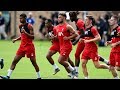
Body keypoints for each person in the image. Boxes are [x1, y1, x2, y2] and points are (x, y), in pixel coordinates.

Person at [0, 13, 41, 79]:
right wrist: (16, 39)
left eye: (21, 18)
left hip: (29, 47)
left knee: (33, 62)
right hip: (22, 47)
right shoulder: (20, 26)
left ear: (25, 18)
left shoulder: (29, 26)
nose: (20, 19)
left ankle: (39, 77)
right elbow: (22, 36)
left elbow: (32, 37)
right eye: (19, 18)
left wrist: (25, 32)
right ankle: (8, 76)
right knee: (14, 61)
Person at [69, 11, 109, 77]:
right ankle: (84, 76)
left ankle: (109, 67)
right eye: (85, 19)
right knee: (83, 63)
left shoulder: (91, 28)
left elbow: (98, 37)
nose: (84, 21)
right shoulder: (85, 27)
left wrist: (76, 41)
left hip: (92, 48)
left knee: (97, 65)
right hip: (86, 47)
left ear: (90, 21)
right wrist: (83, 39)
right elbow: (84, 34)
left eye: (86, 20)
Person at [55, 13, 78, 79]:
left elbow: (76, 34)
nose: (58, 19)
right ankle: (73, 77)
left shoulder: (68, 26)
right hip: (61, 47)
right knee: (65, 62)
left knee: (60, 60)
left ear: (64, 18)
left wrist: (68, 38)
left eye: (60, 17)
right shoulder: (57, 27)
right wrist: (54, 37)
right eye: (58, 17)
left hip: (67, 46)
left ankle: (74, 71)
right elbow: (58, 37)